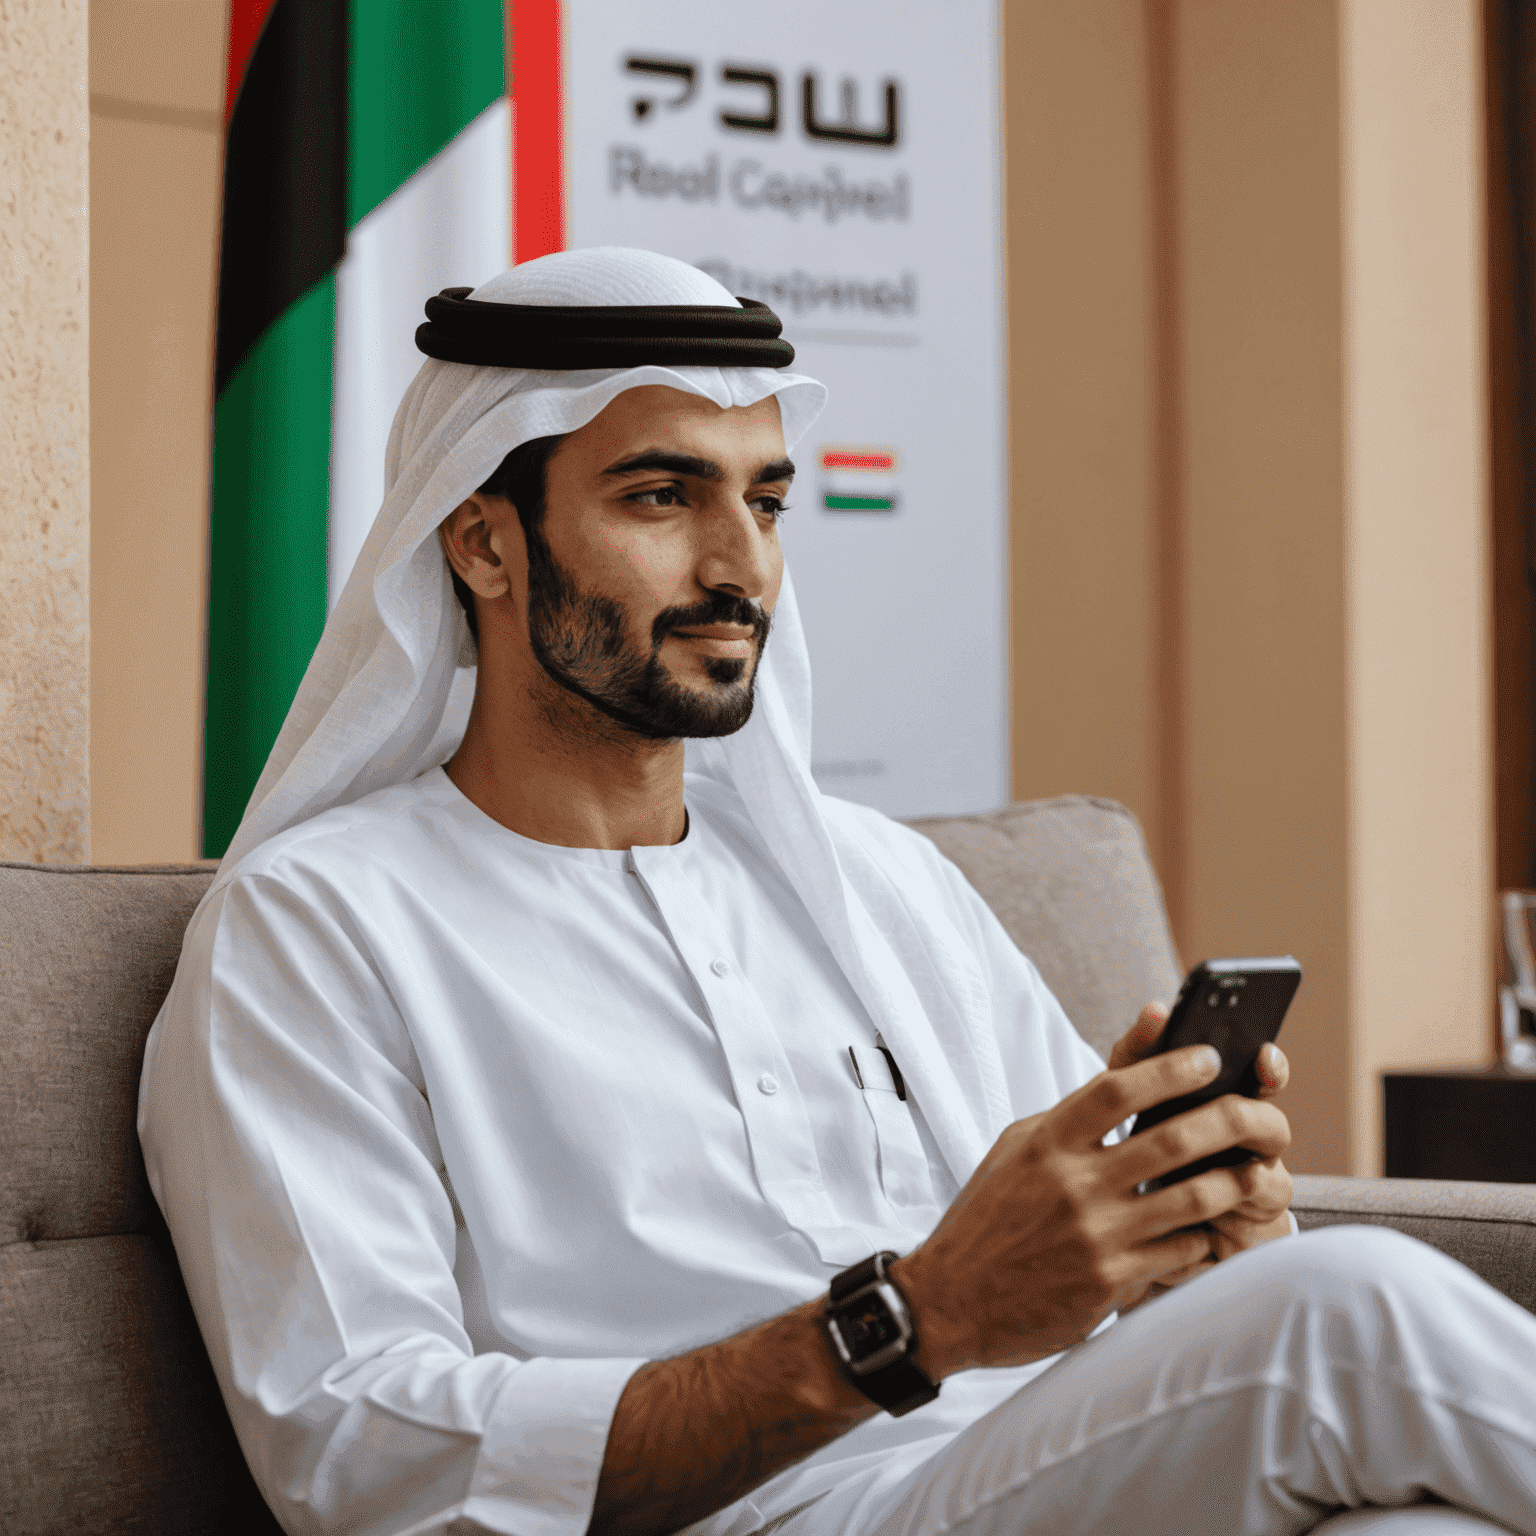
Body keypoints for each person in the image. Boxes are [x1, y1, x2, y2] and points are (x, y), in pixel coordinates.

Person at [139, 248, 1536, 1536]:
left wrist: (1189, 1251)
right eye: (661, 496)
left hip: (1018, 1480)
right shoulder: (317, 928)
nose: (742, 567)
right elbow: (361, 1453)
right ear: (484, 543)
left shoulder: (878, 886)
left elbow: (1082, 1286)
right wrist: (910, 1322)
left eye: (763, 501)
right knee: (1349, 1315)